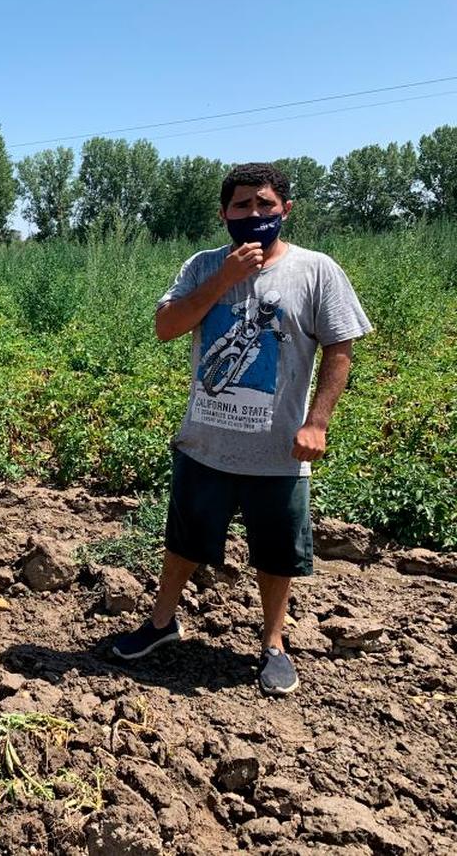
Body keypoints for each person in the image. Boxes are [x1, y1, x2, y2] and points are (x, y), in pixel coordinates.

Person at [111, 163, 372, 696]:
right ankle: (162, 624)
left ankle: (274, 644)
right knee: (183, 540)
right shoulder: (202, 265)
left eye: (265, 204)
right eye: (241, 206)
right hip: (205, 442)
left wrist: (317, 421)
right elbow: (167, 327)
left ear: (285, 210)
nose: (253, 214)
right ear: (224, 213)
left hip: (277, 452)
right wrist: (224, 279)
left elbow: (339, 348)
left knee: (276, 553)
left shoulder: (316, 270)